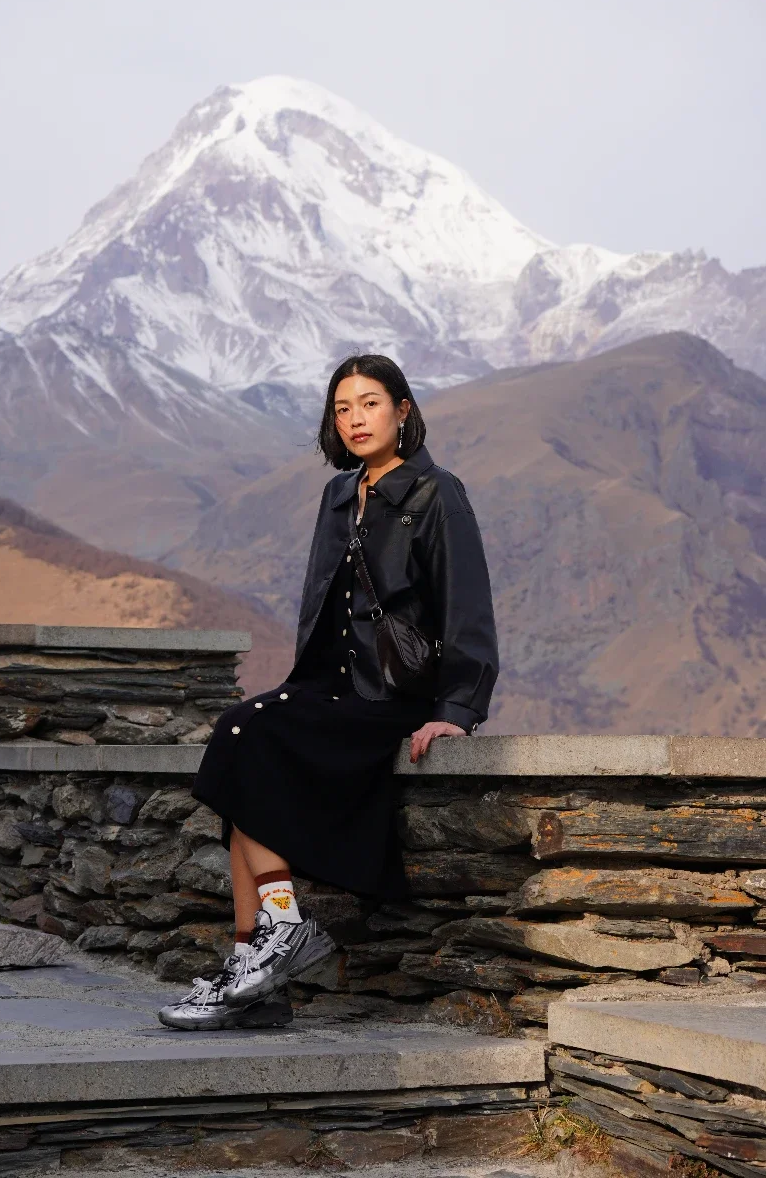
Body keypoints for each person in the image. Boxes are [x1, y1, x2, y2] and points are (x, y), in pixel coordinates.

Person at [157, 353, 499, 1030]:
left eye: (369, 403)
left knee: (243, 737)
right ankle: (257, 972)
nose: (354, 420)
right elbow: (324, 605)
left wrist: (456, 711)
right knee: (240, 751)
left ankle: (273, 938)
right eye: (341, 409)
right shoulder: (339, 494)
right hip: (328, 685)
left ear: (402, 410)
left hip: (390, 696)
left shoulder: (437, 494)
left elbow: (468, 608)